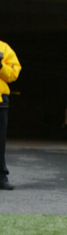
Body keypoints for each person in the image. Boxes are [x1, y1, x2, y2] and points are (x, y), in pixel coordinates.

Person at [0, 41, 21, 190]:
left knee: (0, 142)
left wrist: (1, 67)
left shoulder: (4, 48)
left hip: (0, 101)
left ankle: (1, 177)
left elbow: (13, 74)